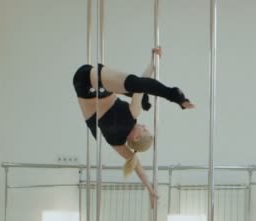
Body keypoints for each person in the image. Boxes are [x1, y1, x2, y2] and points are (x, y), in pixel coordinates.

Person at [73, 48, 192, 208]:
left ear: (136, 137)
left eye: (145, 129)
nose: (143, 125)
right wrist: (149, 188)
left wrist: (153, 63)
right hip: (91, 84)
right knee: (138, 91)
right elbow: (137, 167)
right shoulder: (118, 144)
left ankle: (175, 96)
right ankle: (165, 97)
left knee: (138, 90)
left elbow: (141, 83)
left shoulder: (133, 114)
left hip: (88, 82)